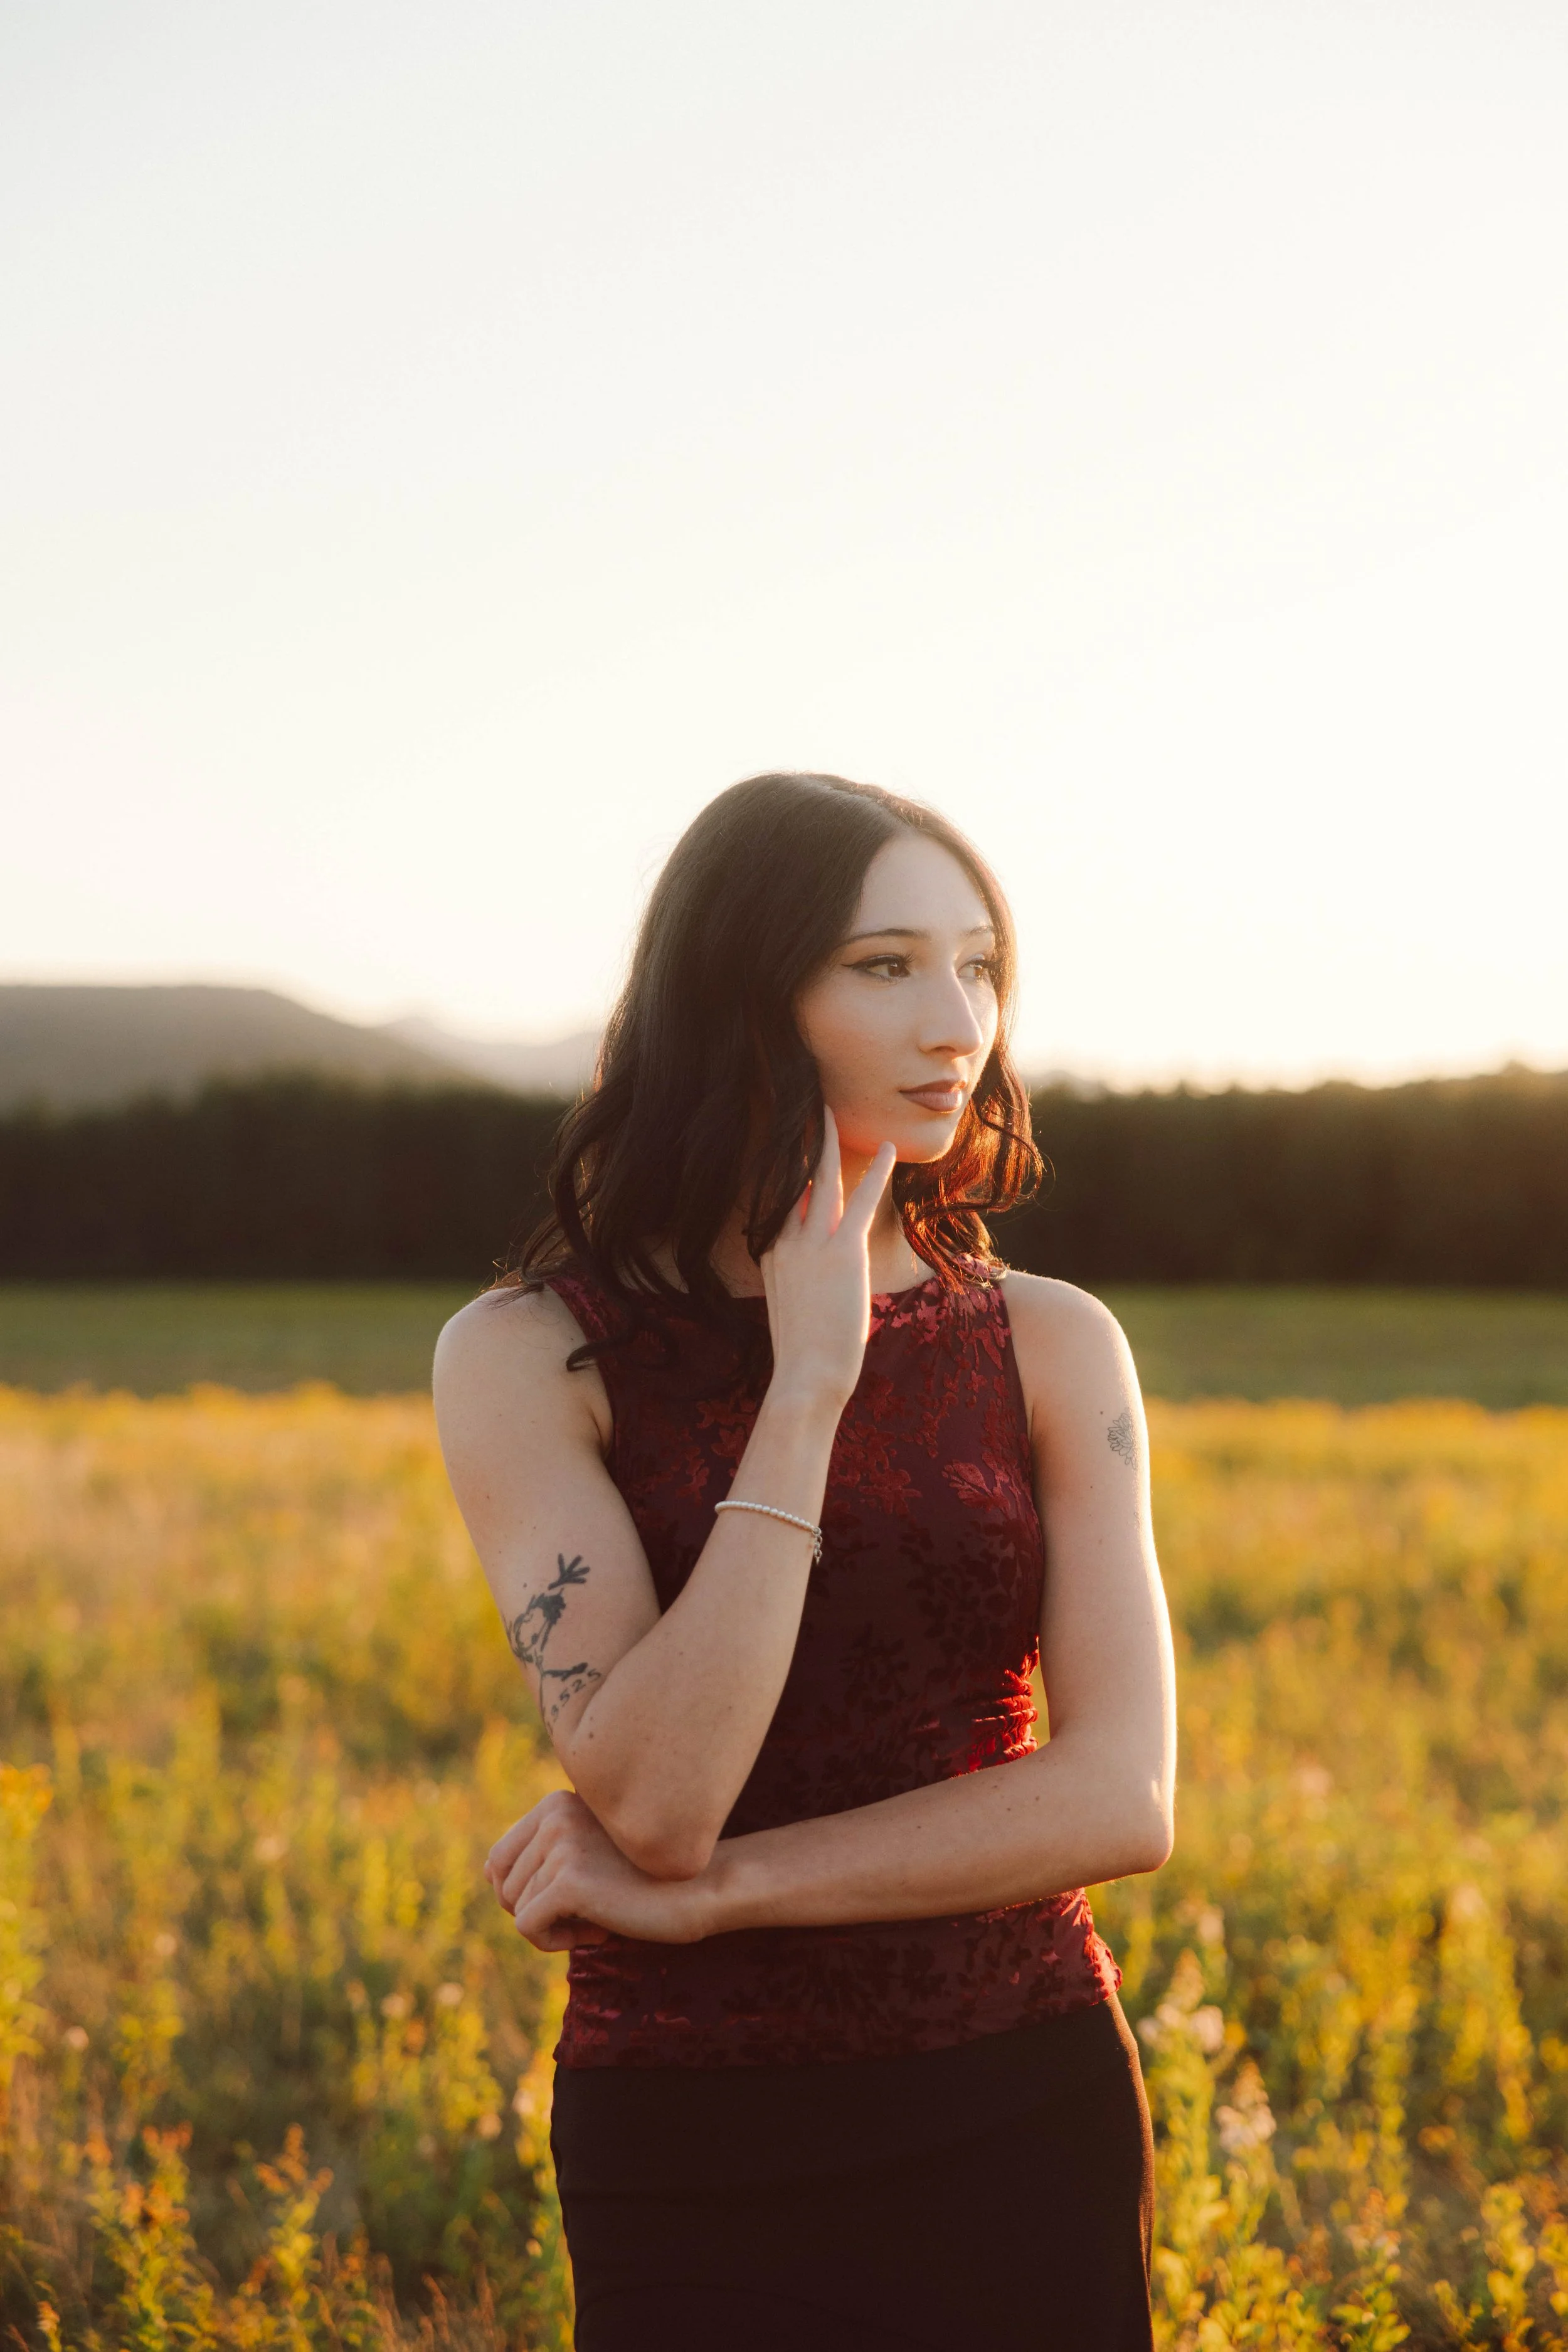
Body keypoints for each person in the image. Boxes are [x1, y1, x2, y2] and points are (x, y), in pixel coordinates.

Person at [433, 771, 1177, 2351]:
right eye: (886, 964)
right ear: (744, 997)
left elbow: (1120, 1797)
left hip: (1016, 2093)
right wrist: (809, 1387)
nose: (955, 1023)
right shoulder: (529, 1355)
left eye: (978, 965)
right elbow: (657, 1799)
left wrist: (723, 1903)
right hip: (690, 2132)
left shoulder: (1049, 1343)